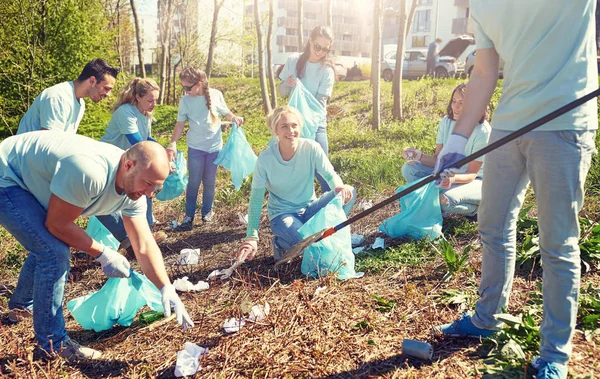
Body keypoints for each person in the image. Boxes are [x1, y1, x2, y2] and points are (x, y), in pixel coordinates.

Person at [433, 1, 597, 378]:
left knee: (557, 243)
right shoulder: (482, 7)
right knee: (492, 224)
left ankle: (554, 353)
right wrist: (458, 140)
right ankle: (488, 317)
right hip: (509, 125)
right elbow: (484, 73)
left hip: (565, 121)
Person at [0, 132, 193, 360]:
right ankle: (53, 347)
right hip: (9, 174)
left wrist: (165, 286)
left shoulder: (135, 191)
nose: (150, 194)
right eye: (148, 184)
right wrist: (103, 253)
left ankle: (21, 304)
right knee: (53, 251)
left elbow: (143, 244)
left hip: (37, 176)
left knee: (47, 243)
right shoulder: (89, 171)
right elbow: (57, 224)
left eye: (156, 188)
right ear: (128, 165)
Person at [235, 106, 355, 263]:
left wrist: (338, 186)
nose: (290, 131)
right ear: (275, 130)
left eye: (294, 125)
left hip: (310, 209)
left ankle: (328, 233)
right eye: (284, 126)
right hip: (283, 215)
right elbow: (256, 199)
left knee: (349, 192)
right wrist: (252, 235)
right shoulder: (265, 160)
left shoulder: (311, 148)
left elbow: (330, 174)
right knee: (305, 242)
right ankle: (281, 243)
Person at [166, 67, 244, 231]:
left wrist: (234, 118)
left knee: (209, 181)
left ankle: (207, 213)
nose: (185, 91)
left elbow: (226, 112)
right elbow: (180, 124)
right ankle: (189, 216)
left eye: (188, 87)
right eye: (183, 87)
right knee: (194, 182)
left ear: (199, 84)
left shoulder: (215, 95)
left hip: (214, 147)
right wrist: (173, 142)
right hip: (195, 147)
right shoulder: (185, 101)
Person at [401, 83, 490, 218]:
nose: (455, 106)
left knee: (444, 200)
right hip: (448, 174)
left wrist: (452, 179)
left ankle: (475, 210)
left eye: (462, 103)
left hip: (476, 180)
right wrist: (418, 155)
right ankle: (439, 200)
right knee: (409, 169)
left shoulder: (483, 131)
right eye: (454, 101)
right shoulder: (446, 122)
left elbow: (471, 173)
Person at [99, 77, 166, 248]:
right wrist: (158, 159)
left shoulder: (146, 115)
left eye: (156, 100)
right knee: (103, 202)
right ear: (138, 97)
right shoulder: (125, 112)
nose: (154, 104)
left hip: (129, 161)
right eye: (150, 100)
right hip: (110, 162)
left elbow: (146, 139)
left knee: (146, 188)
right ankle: (127, 238)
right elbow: (137, 142)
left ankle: (146, 237)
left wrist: (164, 152)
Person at [278, 25, 335, 192]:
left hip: (316, 125)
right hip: (293, 125)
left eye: (325, 49)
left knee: (323, 169)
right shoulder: (293, 61)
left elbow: (319, 103)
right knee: (297, 170)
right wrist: (288, 84)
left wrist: (302, 93)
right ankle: (299, 206)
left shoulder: (327, 70)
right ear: (310, 41)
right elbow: (282, 92)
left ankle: (332, 207)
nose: (320, 52)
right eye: (317, 46)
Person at [17, 58, 119, 134]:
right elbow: (47, 146)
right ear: (92, 81)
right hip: (22, 161)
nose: (108, 95)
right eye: (106, 88)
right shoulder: (58, 97)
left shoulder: (80, 102)